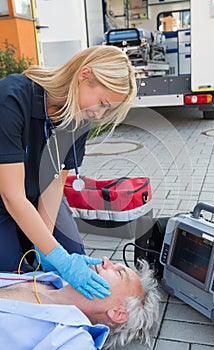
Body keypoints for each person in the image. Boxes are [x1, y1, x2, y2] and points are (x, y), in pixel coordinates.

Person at [0, 45, 137, 299]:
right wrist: (58, 257)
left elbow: (53, 186)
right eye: (103, 104)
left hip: (32, 193)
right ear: (84, 75)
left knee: (73, 250)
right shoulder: (12, 99)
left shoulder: (79, 121)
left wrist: (44, 250)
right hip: (6, 196)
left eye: (107, 110)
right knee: (10, 273)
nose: (99, 114)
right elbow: (11, 196)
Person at [0, 257, 159, 350]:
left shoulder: (73, 340)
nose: (105, 260)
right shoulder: (53, 279)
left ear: (117, 313)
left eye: (117, 272)